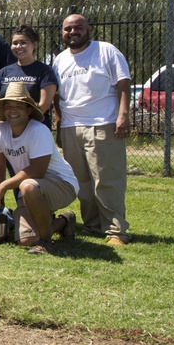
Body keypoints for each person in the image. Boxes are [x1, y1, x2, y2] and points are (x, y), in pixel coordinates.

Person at [52, 14, 132, 245]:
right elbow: (57, 96)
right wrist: (59, 122)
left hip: (102, 123)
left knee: (106, 179)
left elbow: (123, 84)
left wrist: (123, 116)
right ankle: (94, 226)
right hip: (70, 126)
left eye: (78, 27)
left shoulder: (106, 51)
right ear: (62, 32)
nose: (73, 32)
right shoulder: (60, 60)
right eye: (68, 29)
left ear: (88, 29)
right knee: (82, 183)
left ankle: (116, 231)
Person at [0, 82, 79, 254]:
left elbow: (38, 171)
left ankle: (46, 242)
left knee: (28, 186)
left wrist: (5, 186)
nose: (12, 111)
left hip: (61, 184)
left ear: (29, 110)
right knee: (26, 240)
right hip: (30, 188)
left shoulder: (38, 130)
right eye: (8, 106)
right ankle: (64, 222)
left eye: (18, 106)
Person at [0, 24, 59, 127]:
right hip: (8, 127)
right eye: (15, 43)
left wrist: (20, 123)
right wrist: (5, 121)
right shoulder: (4, 72)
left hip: (35, 127)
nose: (18, 47)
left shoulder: (44, 71)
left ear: (34, 45)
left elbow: (44, 105)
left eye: (23, 43)